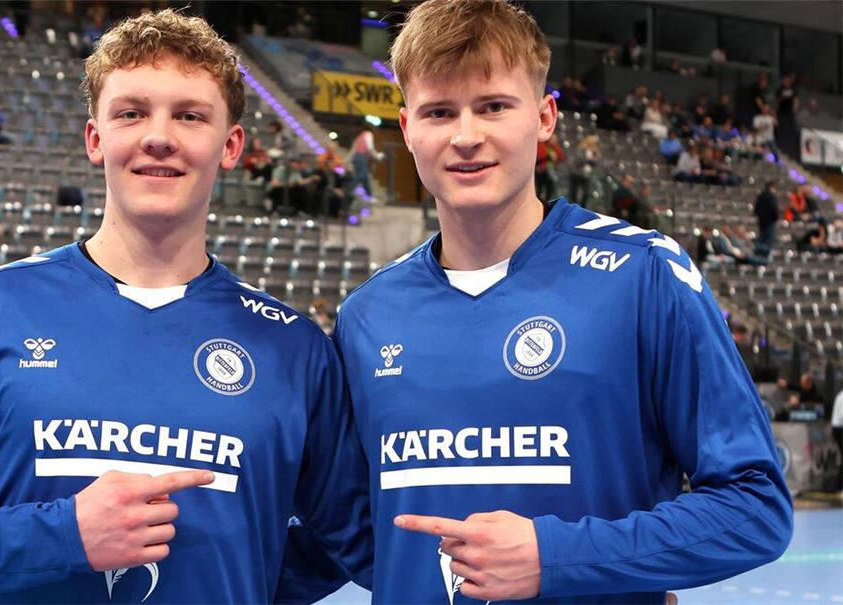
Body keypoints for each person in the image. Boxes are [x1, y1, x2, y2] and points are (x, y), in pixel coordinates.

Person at [0, 10, 371, 604]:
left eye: (190, 115)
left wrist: (239, 573)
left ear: (230, 146)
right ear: (95, 139)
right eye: (131, 113)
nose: (159, 136)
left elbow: (354, 540)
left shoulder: (294, 347)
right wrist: (64, 535)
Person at [291, 1, 793, 603]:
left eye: (494, 106)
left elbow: (754, 506)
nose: (466, 136)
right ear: (406, 129)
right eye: (439, 111)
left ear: (545, 117)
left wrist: (557, 556)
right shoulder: (366, 315)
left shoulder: (643, 274)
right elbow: (349, 534)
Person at [349, 128, 384, 200]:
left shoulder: (359, 137)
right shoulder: (368, 134)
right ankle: (349, 187)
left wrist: (349, 160)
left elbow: (353, 149)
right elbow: (370, 147)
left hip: (356, 157)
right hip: (361, 157)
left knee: (365, 178)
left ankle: (369, 196)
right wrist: (377, 156)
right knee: (363, 175)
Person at [753, 180, 780, 258]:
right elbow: (774, 209)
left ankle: (758, 255)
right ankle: (764, 257)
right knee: (767, 240)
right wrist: (775, 218)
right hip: (770, 221)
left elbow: (756, 209)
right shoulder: (772, 197)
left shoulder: (761, 196)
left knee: (762, 239)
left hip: (761, 221)